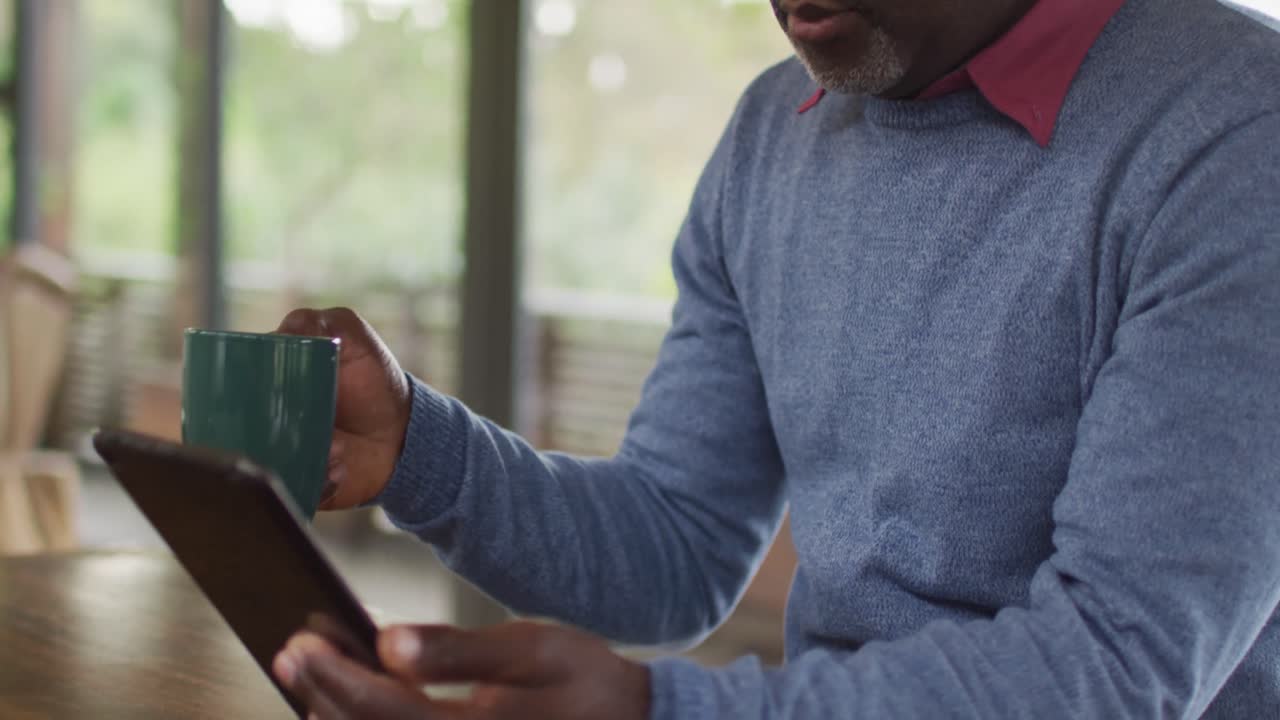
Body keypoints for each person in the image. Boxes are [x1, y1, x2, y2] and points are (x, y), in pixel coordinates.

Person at [269, 0, 1280, 717]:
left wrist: (657, 714)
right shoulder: (770, 136)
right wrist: (419, 451)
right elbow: (675, 543)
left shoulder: (1235, 132)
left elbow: (1116, 664)